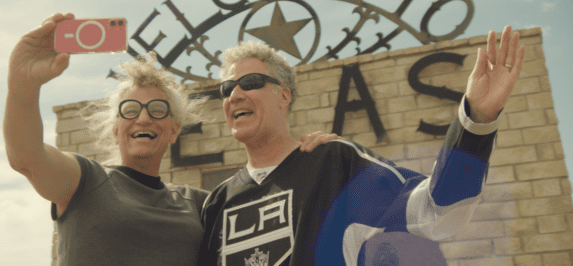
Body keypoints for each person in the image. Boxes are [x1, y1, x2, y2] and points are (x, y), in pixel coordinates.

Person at [3, 13, 334, 266]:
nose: (144, 117)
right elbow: (26, 157)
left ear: (174, 130)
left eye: (157, 110)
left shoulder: (204, 204)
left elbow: (282, 213)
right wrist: (23, 87)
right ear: (116, 128)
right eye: (131, 109)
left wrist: (314, 157)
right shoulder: (84, 180)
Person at [198, 25, 525, 266]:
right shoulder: (218, 202)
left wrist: (476, 121)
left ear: (284, 95)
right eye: (226, 88)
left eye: (251, 83)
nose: (235, 95)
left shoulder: (335, 164)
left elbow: (437, 211)